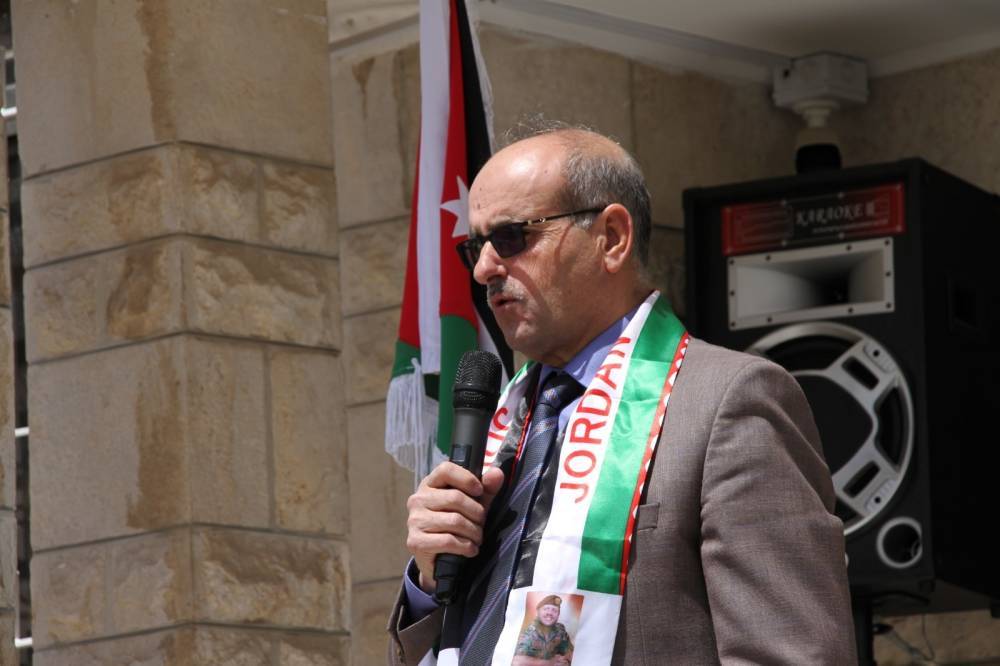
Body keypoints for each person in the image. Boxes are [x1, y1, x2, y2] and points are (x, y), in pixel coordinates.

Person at [387, 123, 856, 665]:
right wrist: (430, 580)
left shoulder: (728, 402)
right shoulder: (505, 422)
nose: (485, 268)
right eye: (476, 246)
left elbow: (791, 652)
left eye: (512, 237)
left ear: (611, 237)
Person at [512, 595, 573, 665]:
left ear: (558, 615)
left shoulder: (560, 630)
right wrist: (548, 663)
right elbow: (516, 661)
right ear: (538, 611)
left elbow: (570, 651)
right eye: (546, 609)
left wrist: (564, 659)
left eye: (554, 610)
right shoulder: (528, 630)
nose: (550, 613)